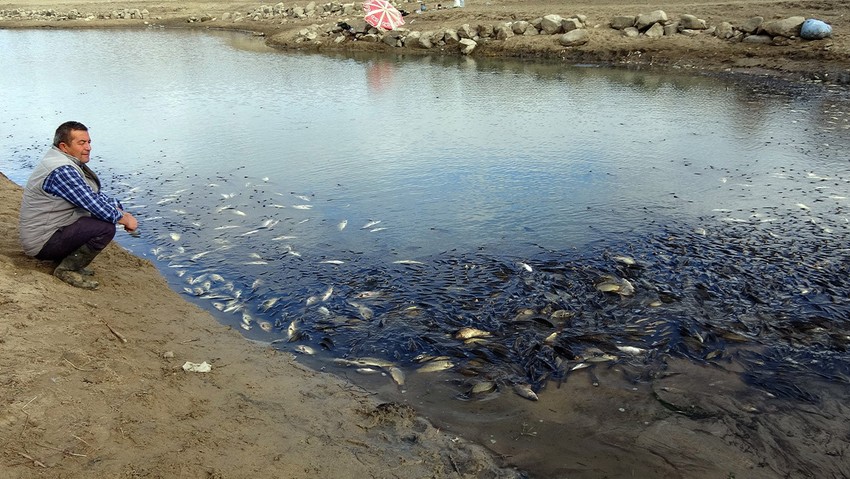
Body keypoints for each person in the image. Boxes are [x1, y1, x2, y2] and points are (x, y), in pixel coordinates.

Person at [19, 121, 138, 290]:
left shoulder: (62, 160)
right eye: (81, 143)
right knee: (105, 227)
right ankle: (66, 269)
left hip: (49, 230)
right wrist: (124, 218)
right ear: (64, 146)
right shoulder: (62, 169)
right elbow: (92, 203)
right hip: (42, 242)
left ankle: (67, 260)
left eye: (89, 142)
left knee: (102, 216)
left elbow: (91, 195)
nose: (88, 147)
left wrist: (119, 209)